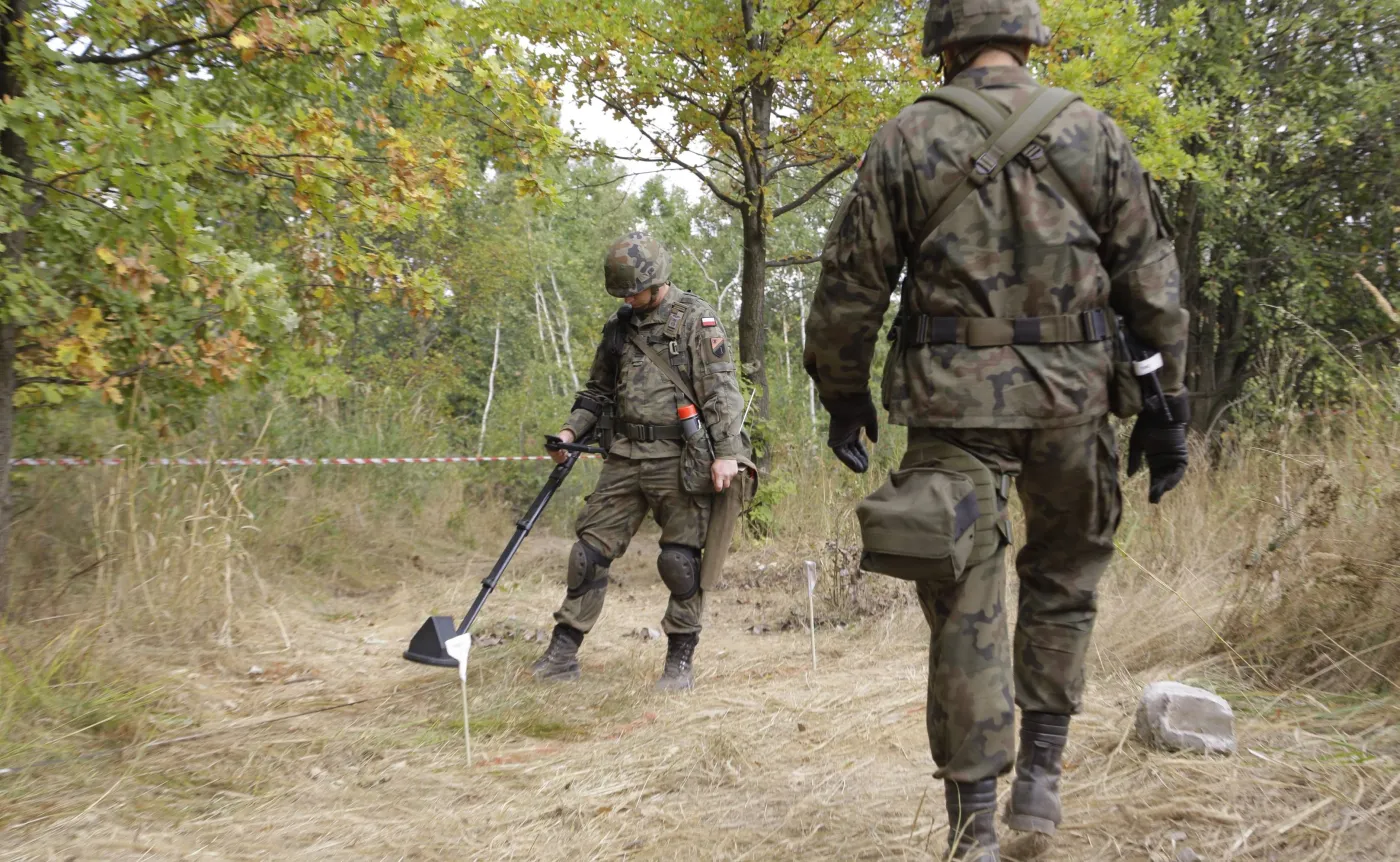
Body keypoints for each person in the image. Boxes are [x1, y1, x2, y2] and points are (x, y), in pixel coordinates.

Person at [803, 1, 1190, 858]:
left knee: (965, 612)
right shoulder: (1095, 132)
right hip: (1074, 403)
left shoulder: (905, 138)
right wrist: (1168, 410)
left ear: (944, 40)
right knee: (1063, 581)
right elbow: (1152, 282)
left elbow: (850, 289)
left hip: (953, 412)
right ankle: (1040, 788)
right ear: (1028, 33)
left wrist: (843, 394)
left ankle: (974, 824)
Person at [531, 231, 748, 692]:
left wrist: (728, 455)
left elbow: (721, 393)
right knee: (587, 554)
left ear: (658, 279)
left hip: (681, 458)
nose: (629, 299)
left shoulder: (696, 321)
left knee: (679, 561)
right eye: (622, 293)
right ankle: (562, 653)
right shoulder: (619, 327)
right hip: (626, 456)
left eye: (635, 291)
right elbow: (596, 392)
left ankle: (678, 664)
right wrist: (570, 433)